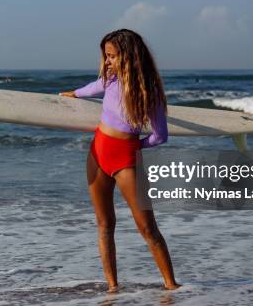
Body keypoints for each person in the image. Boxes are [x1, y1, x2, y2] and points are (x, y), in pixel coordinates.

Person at [60, 29, 180, 292]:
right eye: (106, 56)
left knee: (147, 227)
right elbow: (94, 87)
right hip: (98, 152)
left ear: (130, 56)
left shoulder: (150, 93)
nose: (108, 62)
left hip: (126, 158)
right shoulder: (110, 79)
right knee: (104, 223)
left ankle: (171, 285)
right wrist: (75, 94)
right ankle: (112, 287)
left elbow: (160, 136)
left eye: (112, 56)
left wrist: (134, 146)